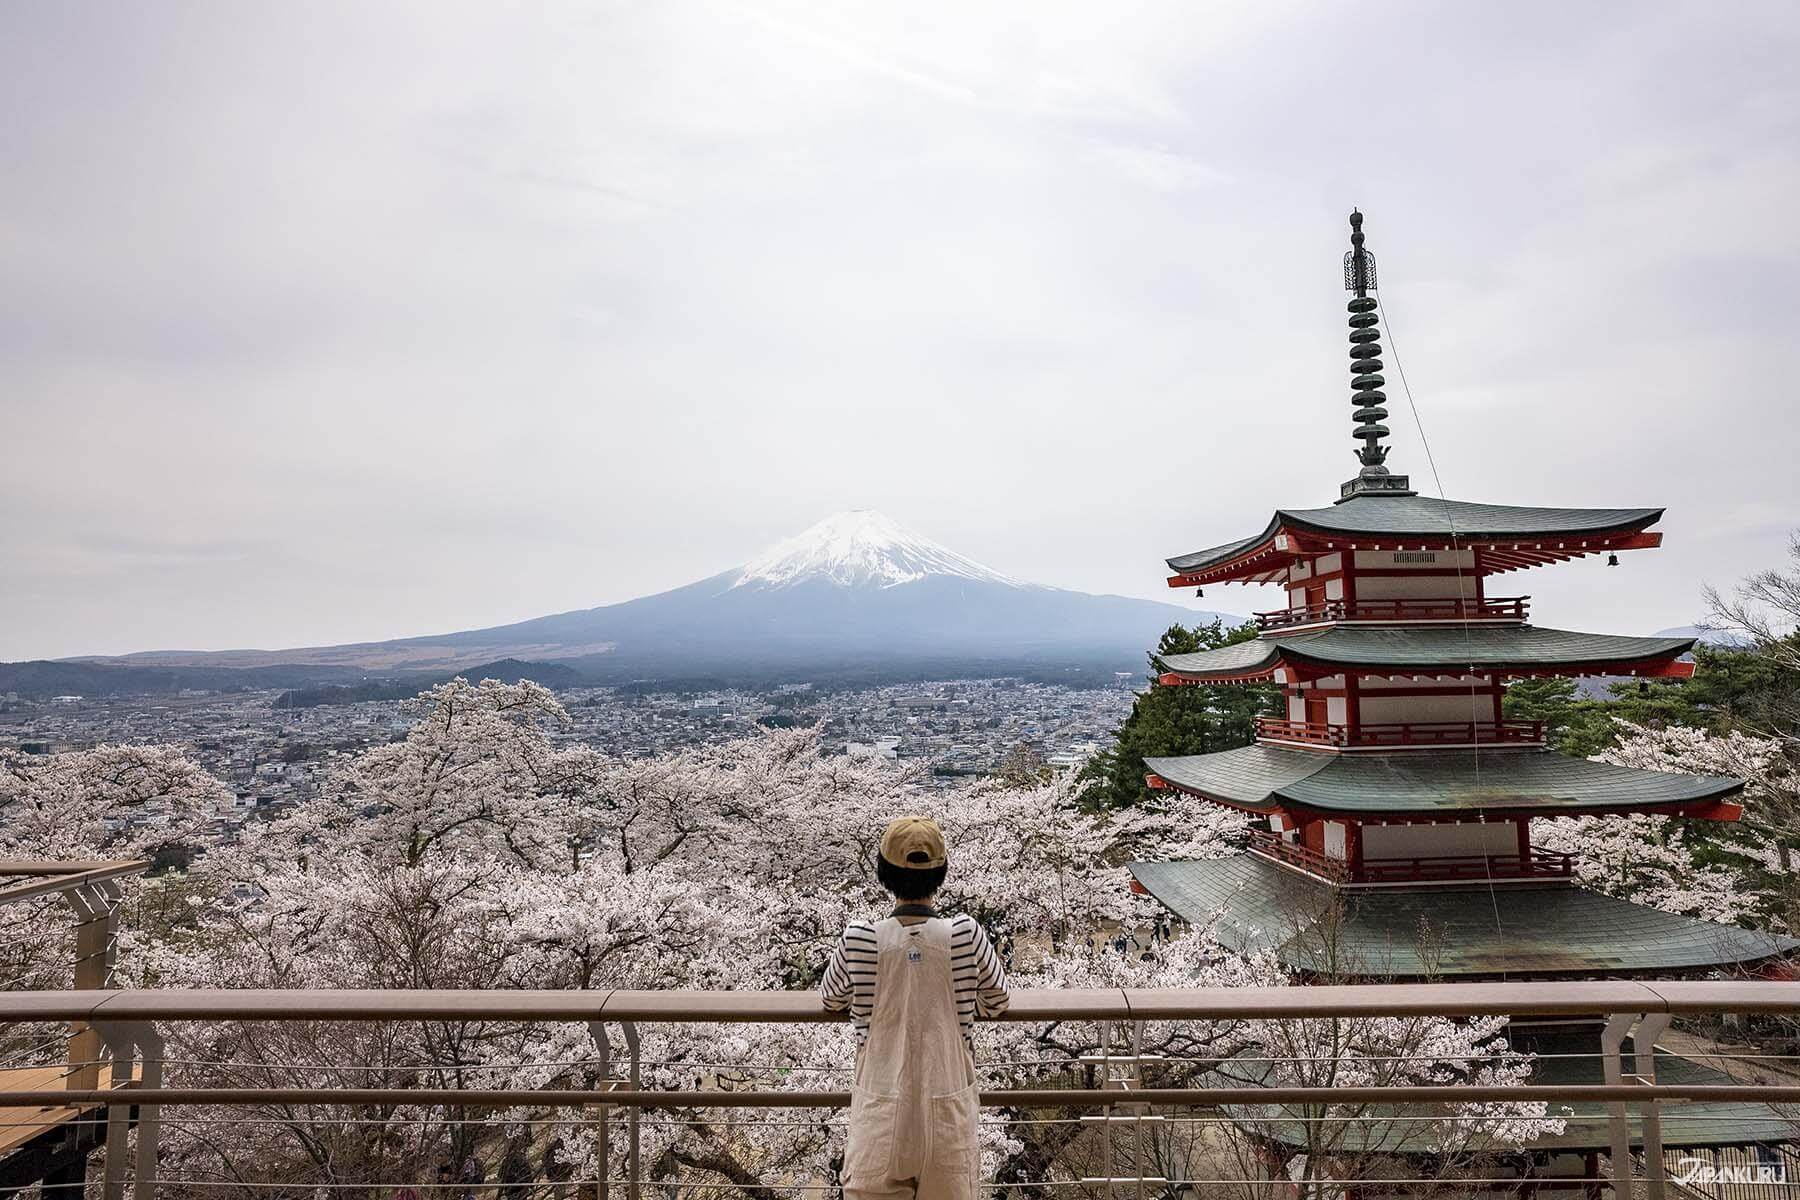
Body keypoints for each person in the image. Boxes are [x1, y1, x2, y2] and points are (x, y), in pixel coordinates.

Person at [822, 815, 1010, 1200]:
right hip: (948, 1108)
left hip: (879, 1105)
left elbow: (831, 997)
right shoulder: (965, 935)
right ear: (940, 873)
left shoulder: (859, 938)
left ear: (884, 874)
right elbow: (997, 1000)